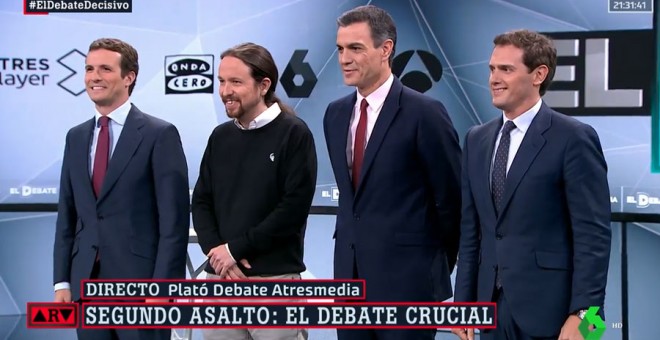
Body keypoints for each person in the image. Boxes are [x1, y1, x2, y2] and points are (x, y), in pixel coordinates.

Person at [452, 29, 612, 340]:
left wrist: (586, 317)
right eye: (492, 69)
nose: (494, 79)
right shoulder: (476, 139)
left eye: (506, 69)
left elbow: (594, 236)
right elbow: (472, 233)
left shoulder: (573, 138)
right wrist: (463, 305)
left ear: (538, 74)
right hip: (489, 313)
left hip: (554, 314)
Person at [323, 5, 462, 340]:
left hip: (408, 287)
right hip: (349, 286)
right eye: (340, 49)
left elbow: (452, 201)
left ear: (385, 49)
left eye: (356, 48)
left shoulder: (425, 113)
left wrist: (432, 273)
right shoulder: (335, 114)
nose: (344, 58)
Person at [53, 38, 190, 340]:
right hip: (86, 286)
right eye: (89, 69)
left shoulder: (159, 134)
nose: (94, 77)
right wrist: (62, 282)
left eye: (105, 68)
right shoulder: (75, 137)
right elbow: (68, 214)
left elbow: (174, 224)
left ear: (129, 77)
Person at [191, 42, 317, 340]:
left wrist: (235, 250)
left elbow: (292, 209)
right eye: (221, 81)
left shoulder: (293, 133)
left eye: (235, 82)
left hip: (274, 282)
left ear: (264, 85)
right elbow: (201, 200)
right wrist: (217, 253)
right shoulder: (220, 136)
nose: (225, 91)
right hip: (221, 281)